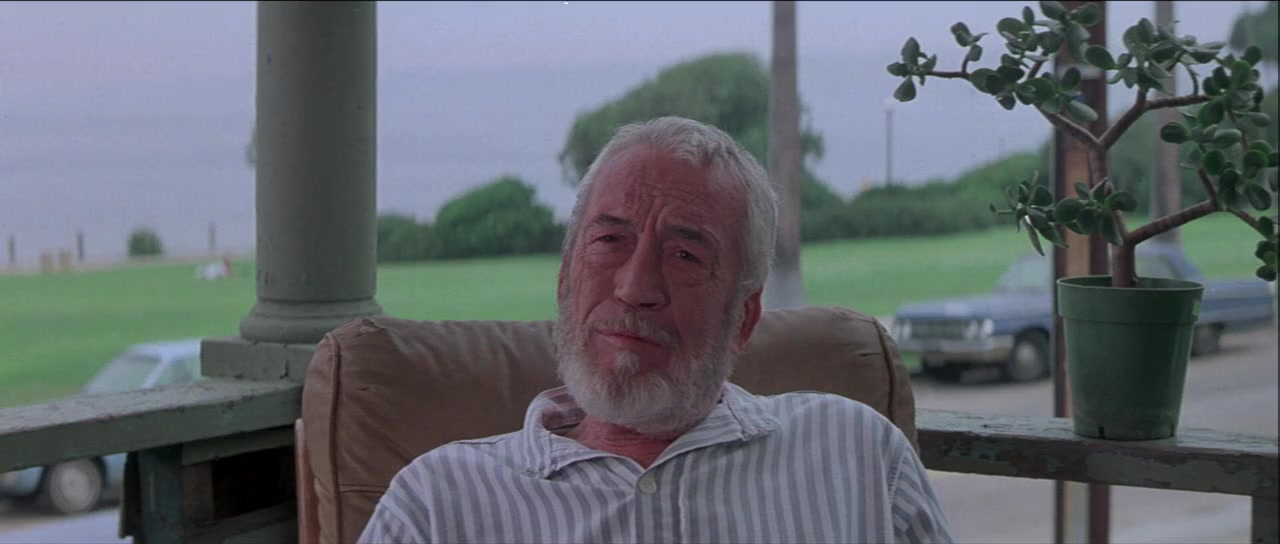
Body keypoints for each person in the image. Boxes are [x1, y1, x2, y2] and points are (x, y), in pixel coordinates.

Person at [358, 116, 953, 543]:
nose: (635, 286)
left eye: (685, 255)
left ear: (743, 318)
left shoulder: (858, 455)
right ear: (565, 280)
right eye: (610, 240)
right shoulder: (438, 503)